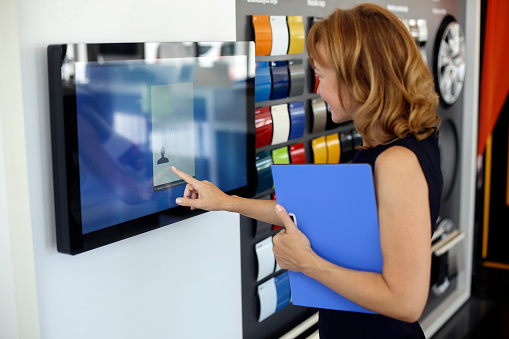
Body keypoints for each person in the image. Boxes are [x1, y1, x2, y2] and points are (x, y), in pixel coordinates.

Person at [171, 3, 442, 338]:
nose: (317, 90)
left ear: (360, 78)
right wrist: (225, 201)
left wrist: (306, 263)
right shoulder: (395, 143)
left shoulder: (396, 162)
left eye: (323, 76)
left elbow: (406, 302)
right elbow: (311, 214)